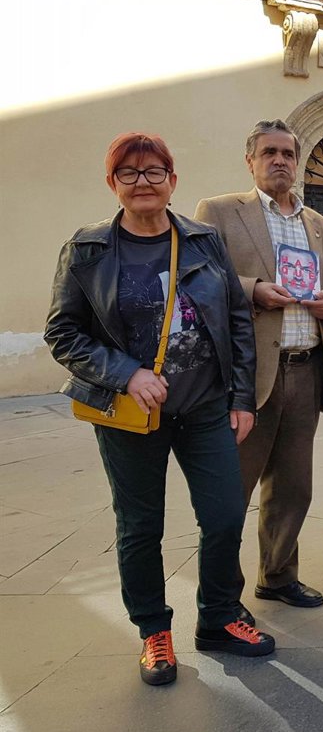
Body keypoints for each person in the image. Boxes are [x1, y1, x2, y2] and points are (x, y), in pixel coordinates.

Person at [45, 132, 274, 686]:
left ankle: (219, 616)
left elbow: (237, 320)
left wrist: (242, 398)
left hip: (205, 407)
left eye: (154, 172)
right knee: (141, 525)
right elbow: (62, 333)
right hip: (129, 415)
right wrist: (126, 373)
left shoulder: (203, 240)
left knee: (224, 515)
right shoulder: (88, 249)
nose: (142, 182)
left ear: (173, 180)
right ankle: (153, 629)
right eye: (129, 173)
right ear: (112, 183)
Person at [195, 120, 323, 612]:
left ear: (297, 162)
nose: (279, 160)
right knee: (231, 493)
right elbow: (199, 277)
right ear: (250, 161)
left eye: (287, 153)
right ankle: (221, 598)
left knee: (293, 487)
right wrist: (253, 289)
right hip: (248, 374)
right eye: (269, 152)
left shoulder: (320, 225)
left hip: (306, 367)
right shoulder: (219, 211)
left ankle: (278, 576)